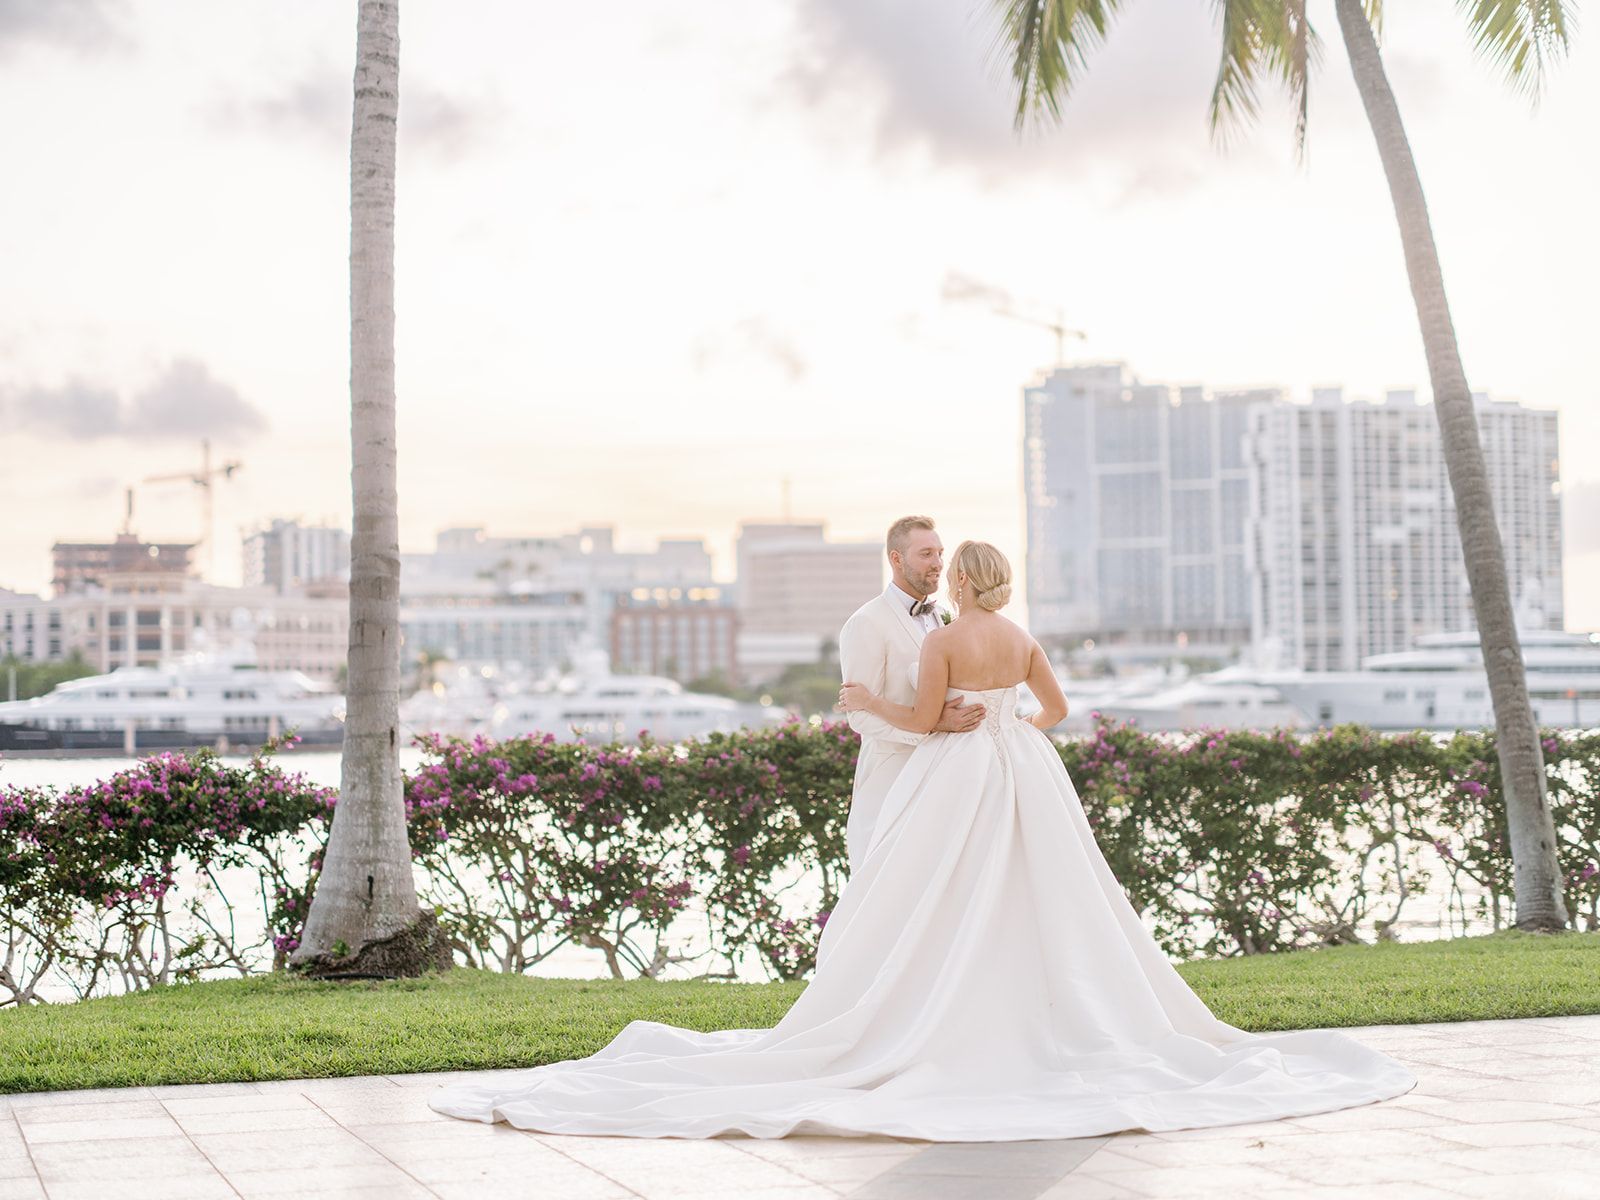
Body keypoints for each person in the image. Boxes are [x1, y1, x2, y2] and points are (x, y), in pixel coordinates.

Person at [428, 538, 1414, 1140]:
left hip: (958, 771)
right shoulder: (1022, 640)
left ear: (964, 582)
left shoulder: (946, 637)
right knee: (1049, 892)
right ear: (1008, 583)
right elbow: (1056, 711)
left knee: (934, 887)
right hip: (1024, 770)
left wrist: (870, 702)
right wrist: (1014, 735)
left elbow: (924, 718)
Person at [837, 515, 983, 873]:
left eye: (939, 553)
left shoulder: (945, 616)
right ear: (896, 559)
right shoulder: (866, 623)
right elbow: (860, 715)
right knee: (885, 885)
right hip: (890, 780)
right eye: (925, 554)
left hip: (943, 778)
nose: (937, 563)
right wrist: (933, 726)